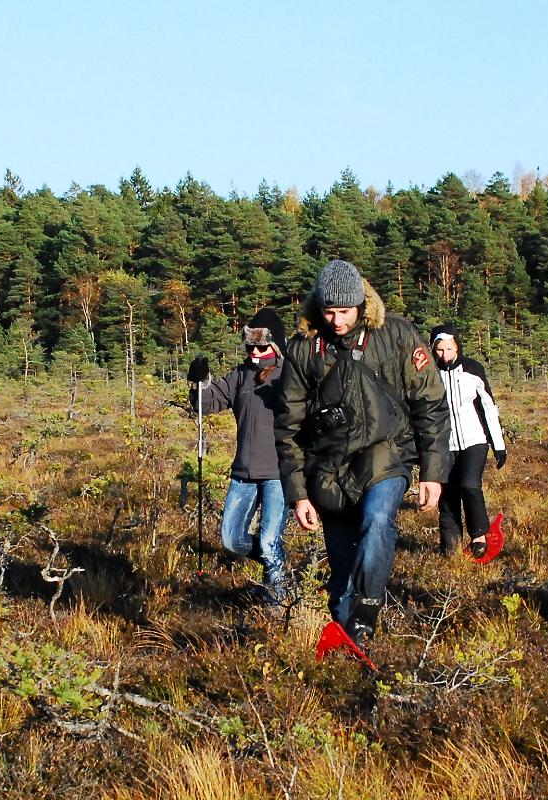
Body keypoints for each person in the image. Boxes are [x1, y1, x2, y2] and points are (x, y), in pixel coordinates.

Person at [275, 260, 450, 658]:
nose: (337, 320)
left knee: (376, 522)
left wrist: (433, 472)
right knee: (340, 564)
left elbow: (431, 405)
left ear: (361, 304)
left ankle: (364, 615)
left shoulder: (398, 335)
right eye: (329, 311)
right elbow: (288, 427)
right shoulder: (304, 348)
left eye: (345, 311)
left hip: (387, 456)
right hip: (328, 469)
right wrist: (298, 494)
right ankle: (346, 643)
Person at [189, 308, 293, 605]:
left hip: (278, 473)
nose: (255, 352)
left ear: (276, 345)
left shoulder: (289, 375)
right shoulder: (240, 374)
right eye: (250, 347)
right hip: (243, 473)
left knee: (270, 543)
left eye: (261, 346)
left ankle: (279, 601)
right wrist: (200, 381)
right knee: (231, 539)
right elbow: (207, 403)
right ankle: (279, 571)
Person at [428, 324, 508, 559]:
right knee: (447, 495)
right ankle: (450, 548)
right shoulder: (429, 374)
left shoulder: (473, 370)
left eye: (450, 349)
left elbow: (488, 408)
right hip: (444, 444)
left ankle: (479, 535)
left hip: (475, 440)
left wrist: (499, 445)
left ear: (458, 346)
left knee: (469, 484)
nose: (445, 354)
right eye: (440, 350)